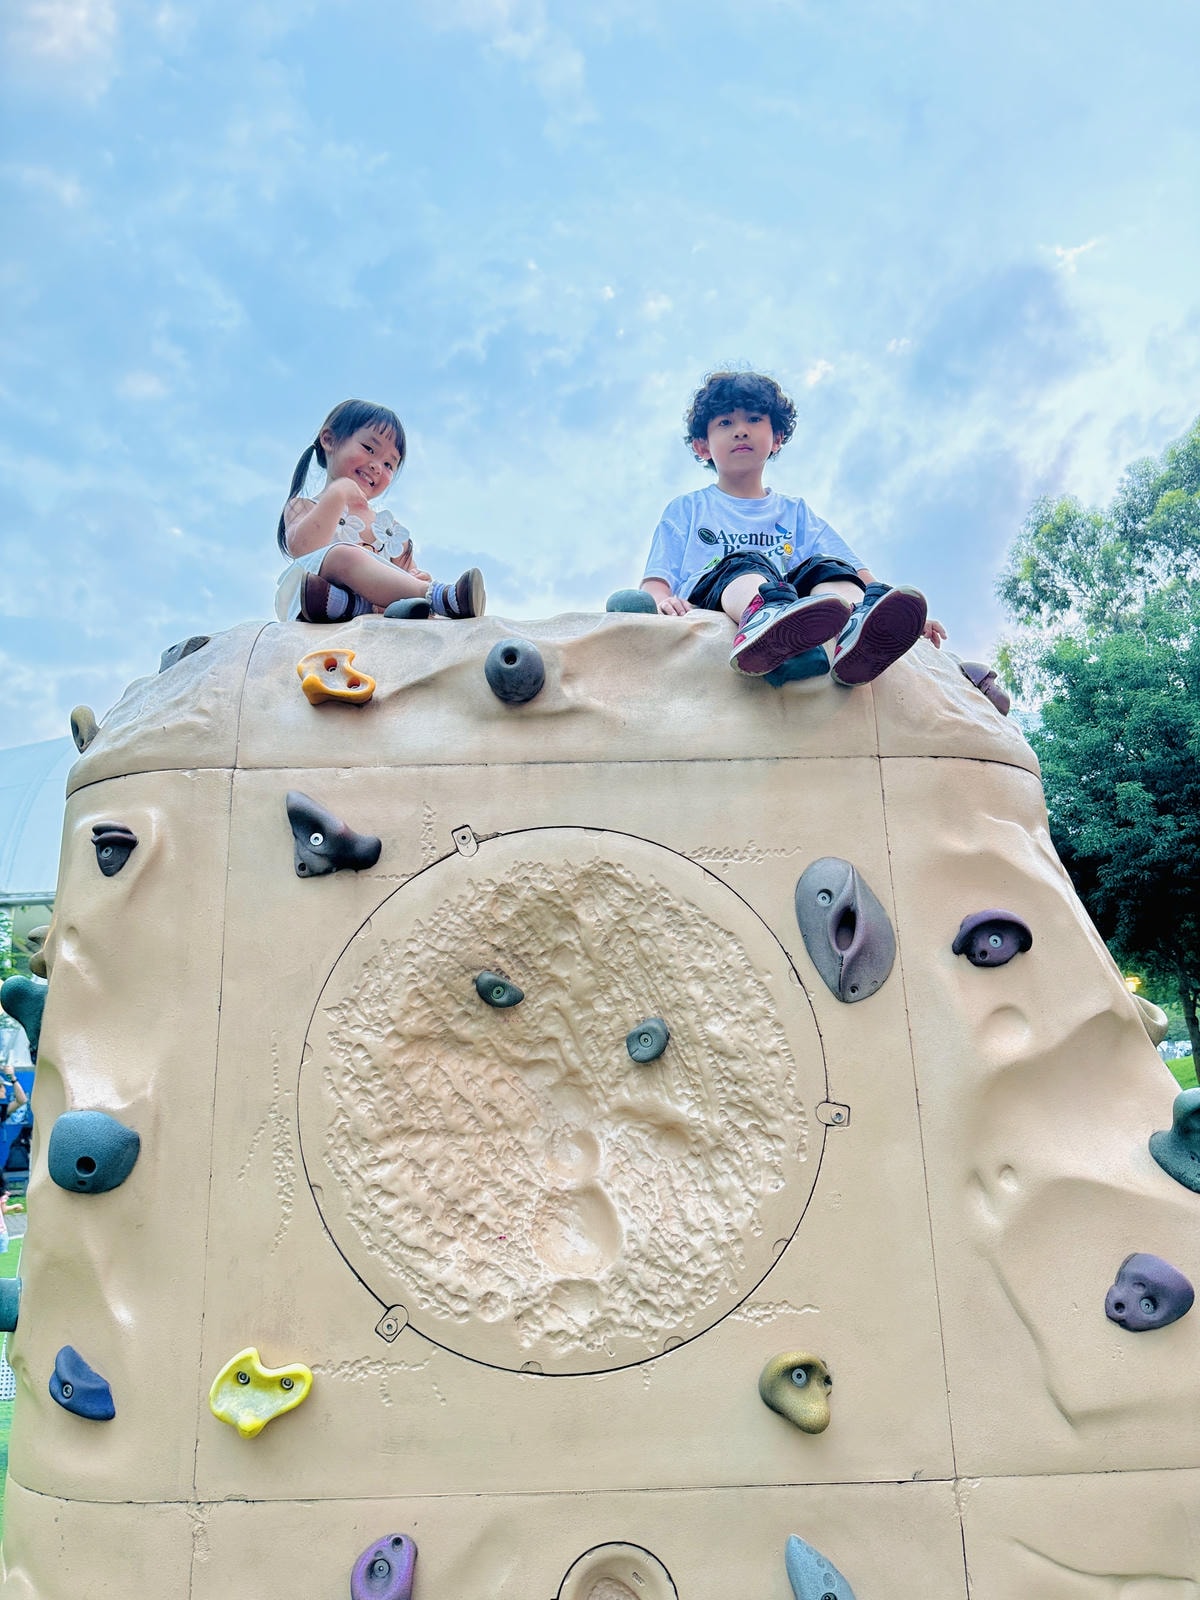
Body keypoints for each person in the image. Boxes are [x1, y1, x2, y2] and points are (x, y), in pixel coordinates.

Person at [641, 371, 946, 681]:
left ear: (776, 439)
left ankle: (862, 628)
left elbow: (853, 569)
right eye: (725, 423)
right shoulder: (688, 508)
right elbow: (656, 581)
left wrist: (894, 612)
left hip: (792, 603)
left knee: (824, 566)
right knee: (744, 563)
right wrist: (663, 602)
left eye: (754, 419)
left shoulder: (795, 512)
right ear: (702, 446)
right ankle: (765, 624)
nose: (741, 431)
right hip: (719, 593)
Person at [275, 399, 486, 624]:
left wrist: (416, 578)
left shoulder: (388, 531)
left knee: (403, 592)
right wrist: (338, 493)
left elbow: (407, 573)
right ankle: (440, 597)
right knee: (343, 555)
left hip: (375, 619)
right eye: (369, 448)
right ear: (329, 439)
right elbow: (305, 550)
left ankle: (353, 604)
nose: (377, 466)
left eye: (388, 465)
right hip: (310, 605)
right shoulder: (304, 506)